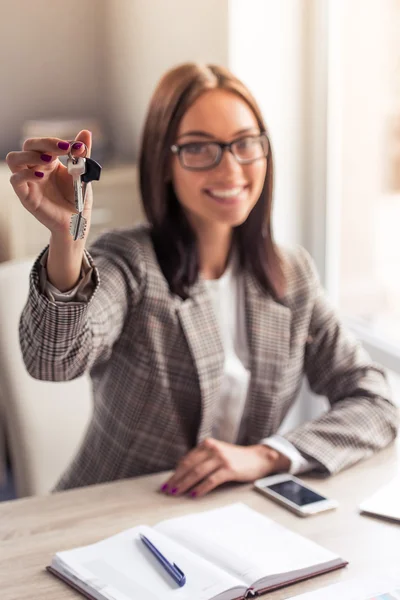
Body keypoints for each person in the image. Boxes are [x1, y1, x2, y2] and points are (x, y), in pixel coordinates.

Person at [7, 63, 398, 497]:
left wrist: (270, 454)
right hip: (107, 522)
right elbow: (52, 361)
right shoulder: (129, 262)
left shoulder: (292, 275)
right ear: (164, 162)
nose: (230, 169)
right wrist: (67, 237)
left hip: (229, 525)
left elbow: (376, 403)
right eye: (198, 148)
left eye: (245, 144)